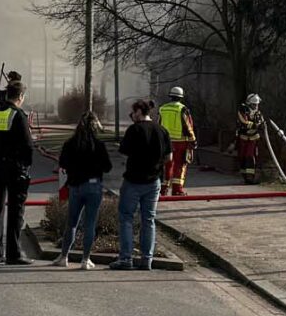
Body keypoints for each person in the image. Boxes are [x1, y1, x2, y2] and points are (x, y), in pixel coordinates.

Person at [0, 72, 35, 266]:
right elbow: (28, 145)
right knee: (16, 211)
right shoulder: (18, 115)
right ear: (20, 97)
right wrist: (26, 165)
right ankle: (14, 254)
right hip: (15, 169)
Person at [116, 99, 167, 269]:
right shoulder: (161, 131)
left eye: (133, 112)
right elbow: (170, 157)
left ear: (138, 111)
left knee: (126, 218)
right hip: (153, 182)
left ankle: (126, 259)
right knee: (149, 220)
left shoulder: (134, 130)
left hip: (133, 181)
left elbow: (123, 154)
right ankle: (147, 259)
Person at [54, 115, 111, 267]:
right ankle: (86, 259)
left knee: (72, 223)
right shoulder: (98, 145)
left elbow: (62, 164)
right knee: (90, 223)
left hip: (75, 186)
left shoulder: (70, 144)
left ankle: (64, 257)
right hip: (93, 185)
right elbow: (108, 166)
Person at [158, 86, 198, 199]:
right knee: (180, 165)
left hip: (166, 142)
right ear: (181, 97)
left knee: (167, 165)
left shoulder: (163, 108)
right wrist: (193, 140)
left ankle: (163, 189)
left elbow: (159, 124)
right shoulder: (182, 109)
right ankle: (177, 190)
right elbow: (188, 125)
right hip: (181, 142)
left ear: (170, 96)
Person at [234, 94, 265, 184]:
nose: (255, 106)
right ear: (249, 104)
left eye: (256, 104)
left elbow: (261, 121)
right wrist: (255, 125)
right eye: (253, 104)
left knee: (250, 156)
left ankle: (250, 177)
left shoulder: (258, 113)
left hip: (254, 138)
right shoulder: (242, 110)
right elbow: (243, 122)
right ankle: (245, 177)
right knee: (242, 157)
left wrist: (261, 125)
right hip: (243, 138)